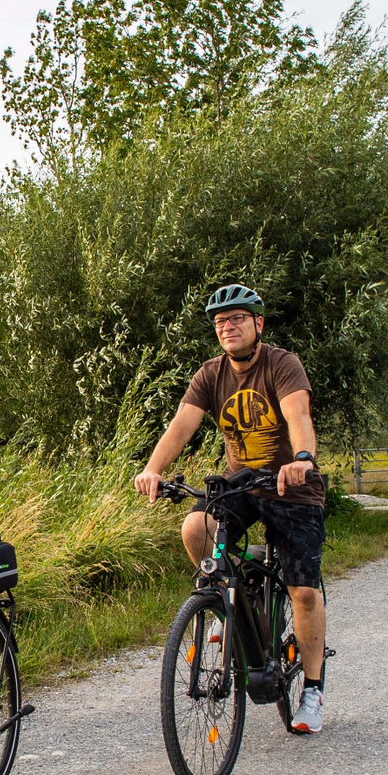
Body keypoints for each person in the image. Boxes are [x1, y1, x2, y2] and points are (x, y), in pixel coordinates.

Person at [131, 283, 331, 733]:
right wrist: (153, 469)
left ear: (258, 324)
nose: (228, 327)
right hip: (244, 485)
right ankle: (229, 600)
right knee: (194, 527)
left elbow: (298, 416)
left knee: (302, 590)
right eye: (221, 322)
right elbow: (182, 423)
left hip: (292, 488)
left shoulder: (282, 364)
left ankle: (313, 691)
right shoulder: (210, 373)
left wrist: (302, 460)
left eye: (237, 319)